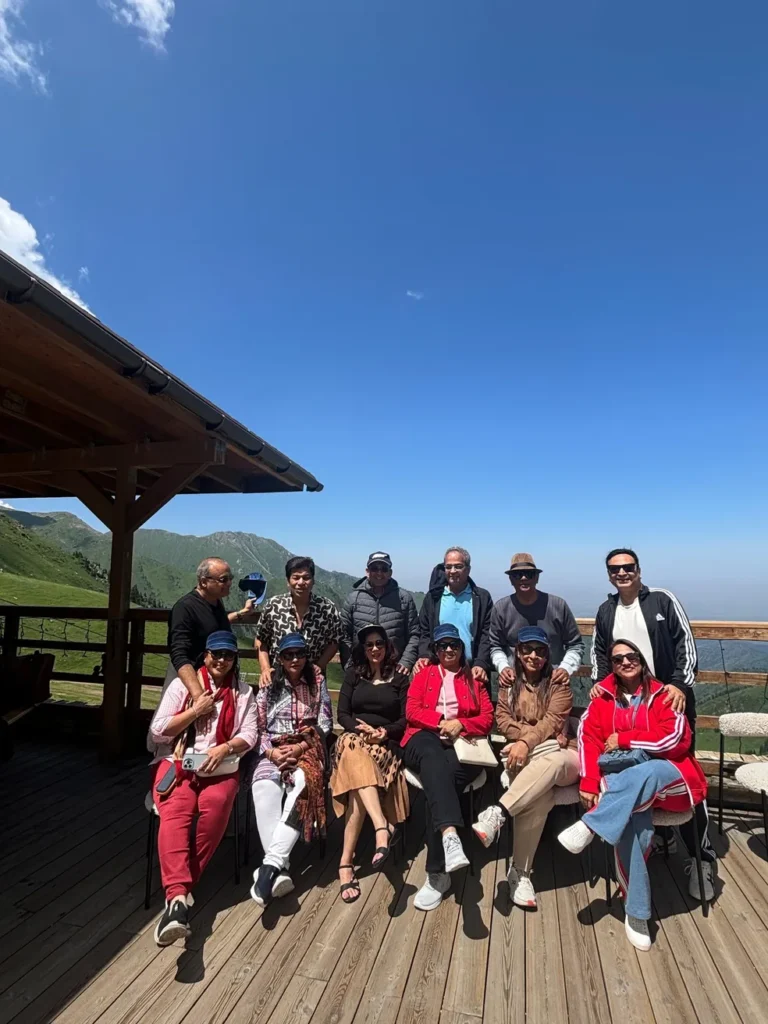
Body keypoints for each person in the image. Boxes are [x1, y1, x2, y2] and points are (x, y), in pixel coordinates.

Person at [558, 639, 708, 951]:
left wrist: (626, 740)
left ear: (641, 659)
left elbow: (676, 739)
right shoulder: (602, 700)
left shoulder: (665, 695)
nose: (625, 662)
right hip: (625, 789)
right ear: (611, 666)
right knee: (631, 825)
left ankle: (592, 824)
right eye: (618, 659)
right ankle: (637, 911)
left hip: (671, 780)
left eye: (631, 656)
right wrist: (589, 781)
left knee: (648, 772)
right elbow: (588, 739)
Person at [590, 548, 715, 900]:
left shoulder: (662, 600)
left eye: (628, 567)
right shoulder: (606, 610)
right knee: (637, 769)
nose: (622, 573)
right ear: (609, 574)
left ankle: (701, 857)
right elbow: (600, 652)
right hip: (629, 706)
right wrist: (601, 682)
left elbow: (685, 645)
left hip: (669, 703)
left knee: (683, 772)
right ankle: (660, 839)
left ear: (639, 569)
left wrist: (679, 685)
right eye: (615, 569)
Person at [148, 631, 258, 945]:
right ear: (206, 656)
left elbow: (250, 734)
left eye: (228, 655)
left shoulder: (243, 693)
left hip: (220, 765)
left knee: (216, 810)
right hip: (179, 760)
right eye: (216, 654)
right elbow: (158, 732)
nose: (222, 660)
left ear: (235, 659)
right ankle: (179, 898)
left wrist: (225, 748)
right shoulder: (182, 686)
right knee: (176, 812)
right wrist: (196, 711)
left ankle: (177, 896)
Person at [470, 627, 579, 908]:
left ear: (547, 655)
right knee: (539, 796)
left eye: (540, 651)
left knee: (554, 759)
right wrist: (527, 742)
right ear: (517, 653)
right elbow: (502, 721)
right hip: (532, 757)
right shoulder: (509, 684)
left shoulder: (558, 683)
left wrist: (523, 743)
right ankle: (520, 873)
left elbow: (553, 721)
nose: (534, 656)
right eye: (527, 649)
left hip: (564, 756)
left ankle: (499, 811)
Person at [402, 623, 494, 912]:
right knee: (433, 760)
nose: (449, 650)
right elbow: (412, 711)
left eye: (454, 644)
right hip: (423, 737)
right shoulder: (425, 674)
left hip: (463, 743)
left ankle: (437, 872)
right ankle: (451, 837)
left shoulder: (474, 678)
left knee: (439, 781)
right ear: (436, 650)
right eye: (443, 646)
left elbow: (487, 718)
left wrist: (461, 724)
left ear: (461, 648)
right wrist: (441, 722)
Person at [249, 632, 333, 906]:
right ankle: (279, 870)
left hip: (307, 747)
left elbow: (325, 723)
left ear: (307, 656)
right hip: (273, 748)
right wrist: (271, 752)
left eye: (299, 654)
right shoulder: (269, 684)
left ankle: (269, 866)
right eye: (288, 655)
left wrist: (299, 748)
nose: (295, 659)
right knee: (264, 787)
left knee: (305, 783)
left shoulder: (318, 680)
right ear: (280, 658)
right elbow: (257, 727)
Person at [331, 624, 410, 903]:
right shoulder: (353, 674)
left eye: (379, 643)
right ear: (363, 649)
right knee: (354, 750)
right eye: (369, 645)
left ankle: (345, 863)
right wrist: (361, 730)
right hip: (354, 739)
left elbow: (405, 719)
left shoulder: (399, 678)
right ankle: (381, 828)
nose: (375, 649)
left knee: (357, 785)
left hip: (384, 744)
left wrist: (383, 733)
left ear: (387, 646)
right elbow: (342, 714)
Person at [167, 557, 258, 701]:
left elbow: (211, 624)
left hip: (215, 680)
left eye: (230, 578)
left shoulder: (214, 601)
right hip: (193, 683)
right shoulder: (184, 608)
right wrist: (199, 695)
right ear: (204, 582)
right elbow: (179, 653)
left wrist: (242, 613)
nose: (229, 583)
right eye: (223, 579)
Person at [490, 553, 584, 691]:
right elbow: (495, 645)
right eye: (517, 575)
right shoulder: (501, 609)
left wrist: (565, 669)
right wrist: (503, 667)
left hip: (554, 681)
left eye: (529, 574)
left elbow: (576, 645)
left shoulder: (558, 606)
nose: (523, 578)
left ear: (537, 578)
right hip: (514, 682)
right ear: (511, 579)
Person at [415, 546, 493, 695]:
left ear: (468, 569)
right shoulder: (433, 598)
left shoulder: (481, 598)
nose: (452, 571)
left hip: (472, 672)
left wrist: (481, 663)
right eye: (448, 567)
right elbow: (425, 632)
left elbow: (486, 634)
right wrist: (424, 655)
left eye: (458, 566)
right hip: (439, 672)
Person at [256, 556, 342, 686]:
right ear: (288, 581)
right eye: (296, 577)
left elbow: (335, 641)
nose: (301, 582)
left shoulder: (326, 608)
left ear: (313, 581)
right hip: (278, 678)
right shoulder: (274, 606)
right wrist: (265, 669)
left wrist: (320, 665)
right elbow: (261, 640)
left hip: (313, 679)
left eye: (306, 578)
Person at [339, 552, 419, 675]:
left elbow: (414, 634)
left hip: (395, 670)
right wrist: (350, 665)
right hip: (361, 670)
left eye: (384, 569)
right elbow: (343, 635)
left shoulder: (404, 599)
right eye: (374, 568)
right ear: (367, 571)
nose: (379, 573)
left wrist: (406, 661)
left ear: (390, 572)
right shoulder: (353, 599)